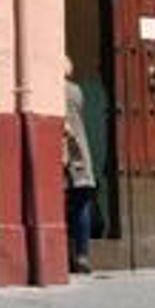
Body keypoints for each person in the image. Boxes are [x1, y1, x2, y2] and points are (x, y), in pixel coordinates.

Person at [64, 58, 97, 275]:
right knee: (81, 203)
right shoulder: (76, 91)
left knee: (66, 203)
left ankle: (68, 254)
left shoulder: (51, 90)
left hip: (65, 152)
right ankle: (82, 255)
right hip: (80, 154)